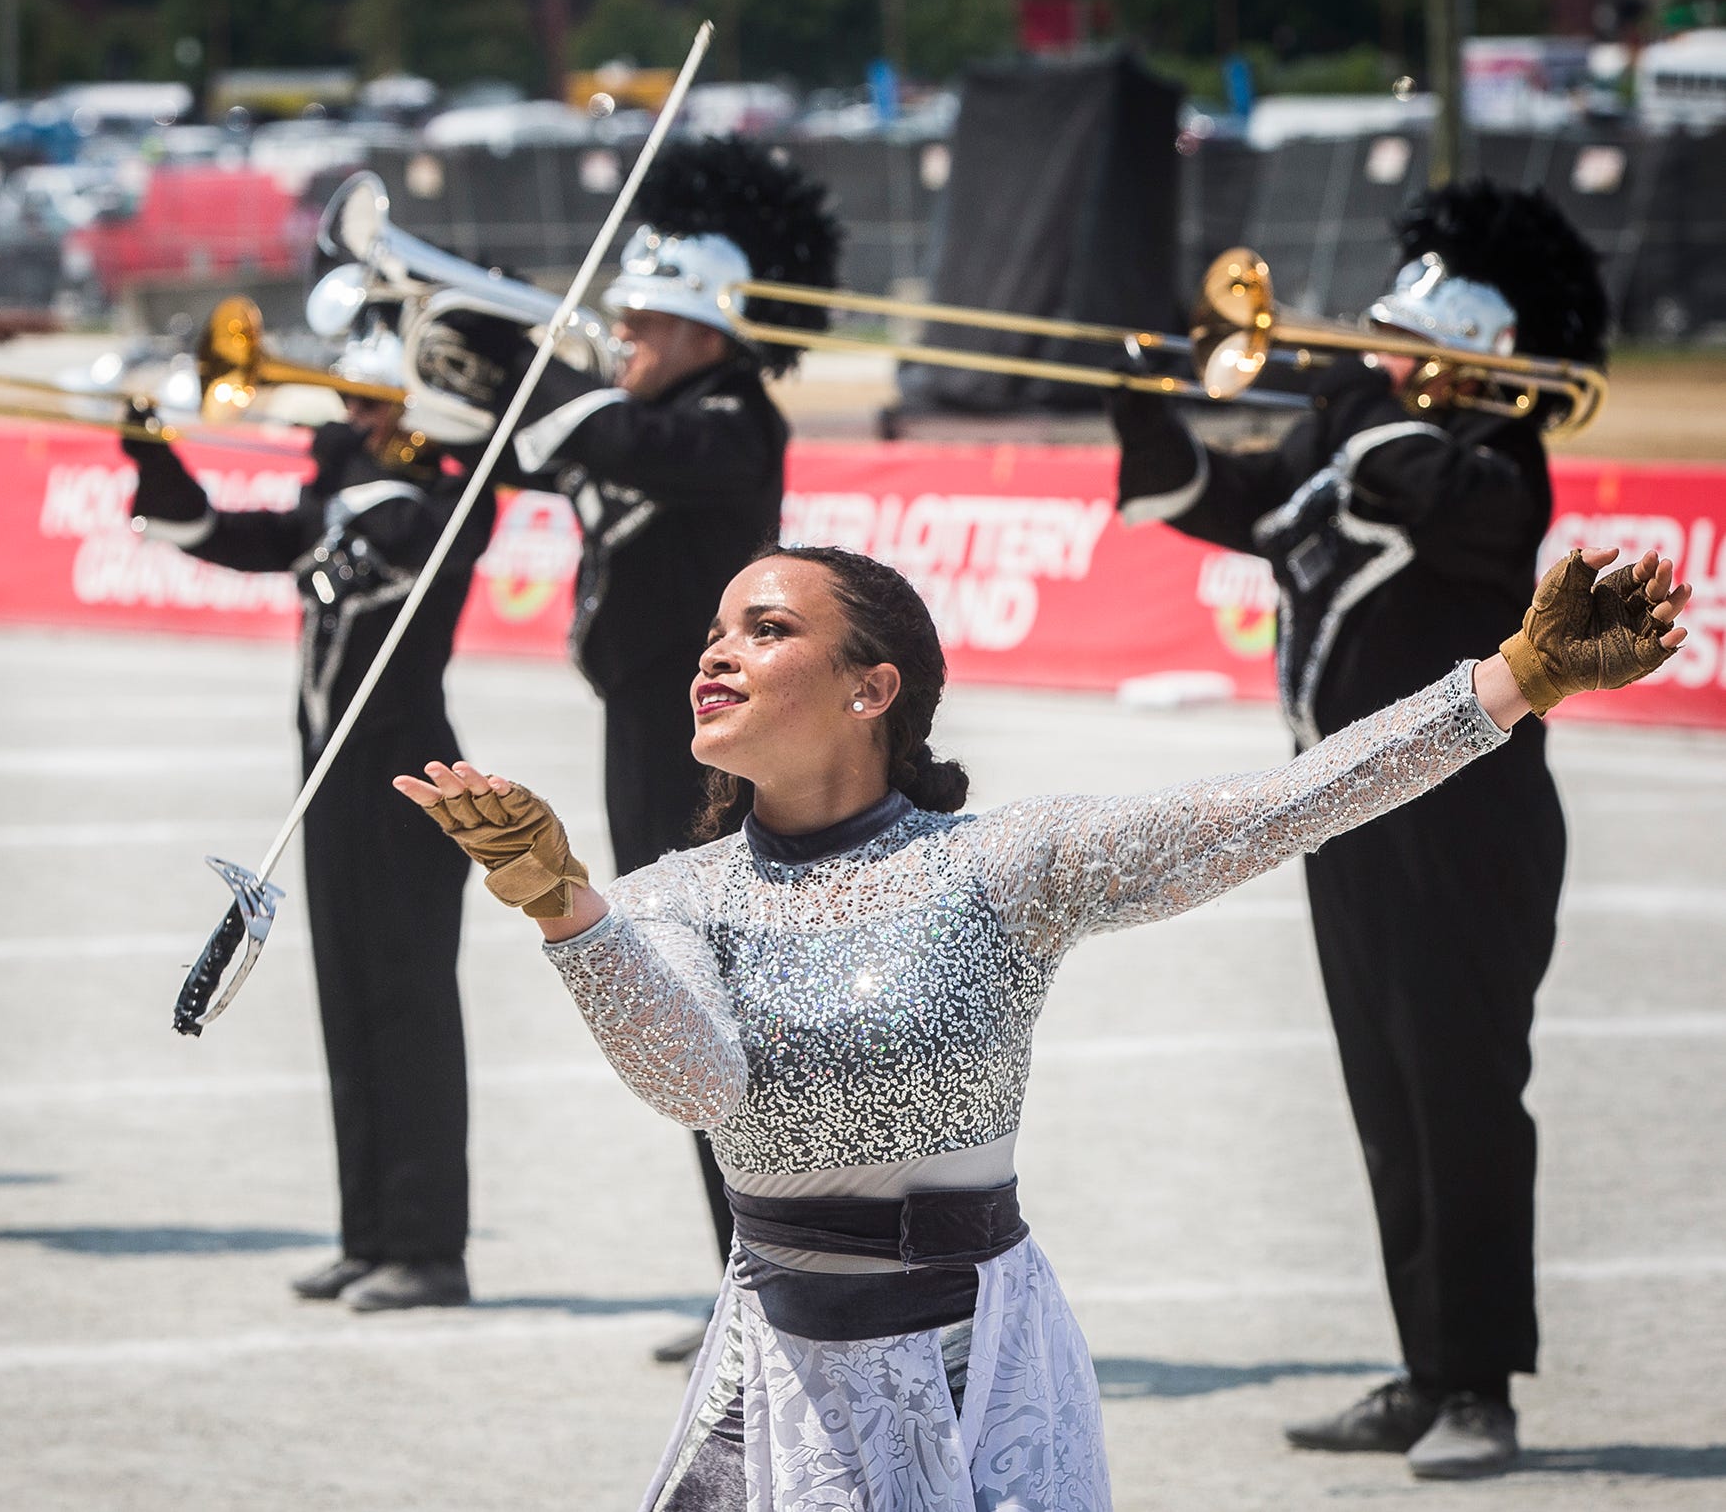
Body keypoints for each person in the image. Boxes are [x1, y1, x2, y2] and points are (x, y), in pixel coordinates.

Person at [394, 538, 1685, 1511]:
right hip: (790, 1381)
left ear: (869, 689)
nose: (713, 654)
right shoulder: (673, 896)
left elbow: (1285, 806)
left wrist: (1514, 680)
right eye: (713, 633)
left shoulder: (1003, 866)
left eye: (765, 628)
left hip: (989, 1360)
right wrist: (564, 907)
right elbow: (696, 1085)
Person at [1108, 181, 1610, 1477]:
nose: (1369, 357)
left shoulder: (1493, 467)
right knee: (1386, 1101)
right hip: (1350, 818)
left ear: (1472, 361)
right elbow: (1220, 504)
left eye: (1401, 343)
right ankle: (1426, 1363)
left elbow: (1400, 480)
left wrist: (1363, 393)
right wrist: (1147, 403)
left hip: (1468, 827)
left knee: (1462, 1101)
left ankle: (1482, 1386)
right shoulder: (1364, 438)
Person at [417, 137, 843, 1354]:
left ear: (711, 327)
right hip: (640, 731)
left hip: (714, 750)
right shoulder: (650, 409)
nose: (627, 341)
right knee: (684, 1002)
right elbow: (565, 447)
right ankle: (746, 1283)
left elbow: (612, 443)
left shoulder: (731, 423)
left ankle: (783, 1281)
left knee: (729, 1010)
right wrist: (481, 367)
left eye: (647, 322)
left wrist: (523, 357)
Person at [124, 309, 494, 1311]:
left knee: (407, 1013)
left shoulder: (438, 503)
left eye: (367, 405)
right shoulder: (347, 500)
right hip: (331, 792)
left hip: (413, 793)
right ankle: (366, 1230)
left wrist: (352, 463)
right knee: (346, 1008)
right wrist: (152, 451)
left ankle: (427, 1246)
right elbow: (219, 535)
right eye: (343, 403)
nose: (346, 419)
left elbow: (403, 527)